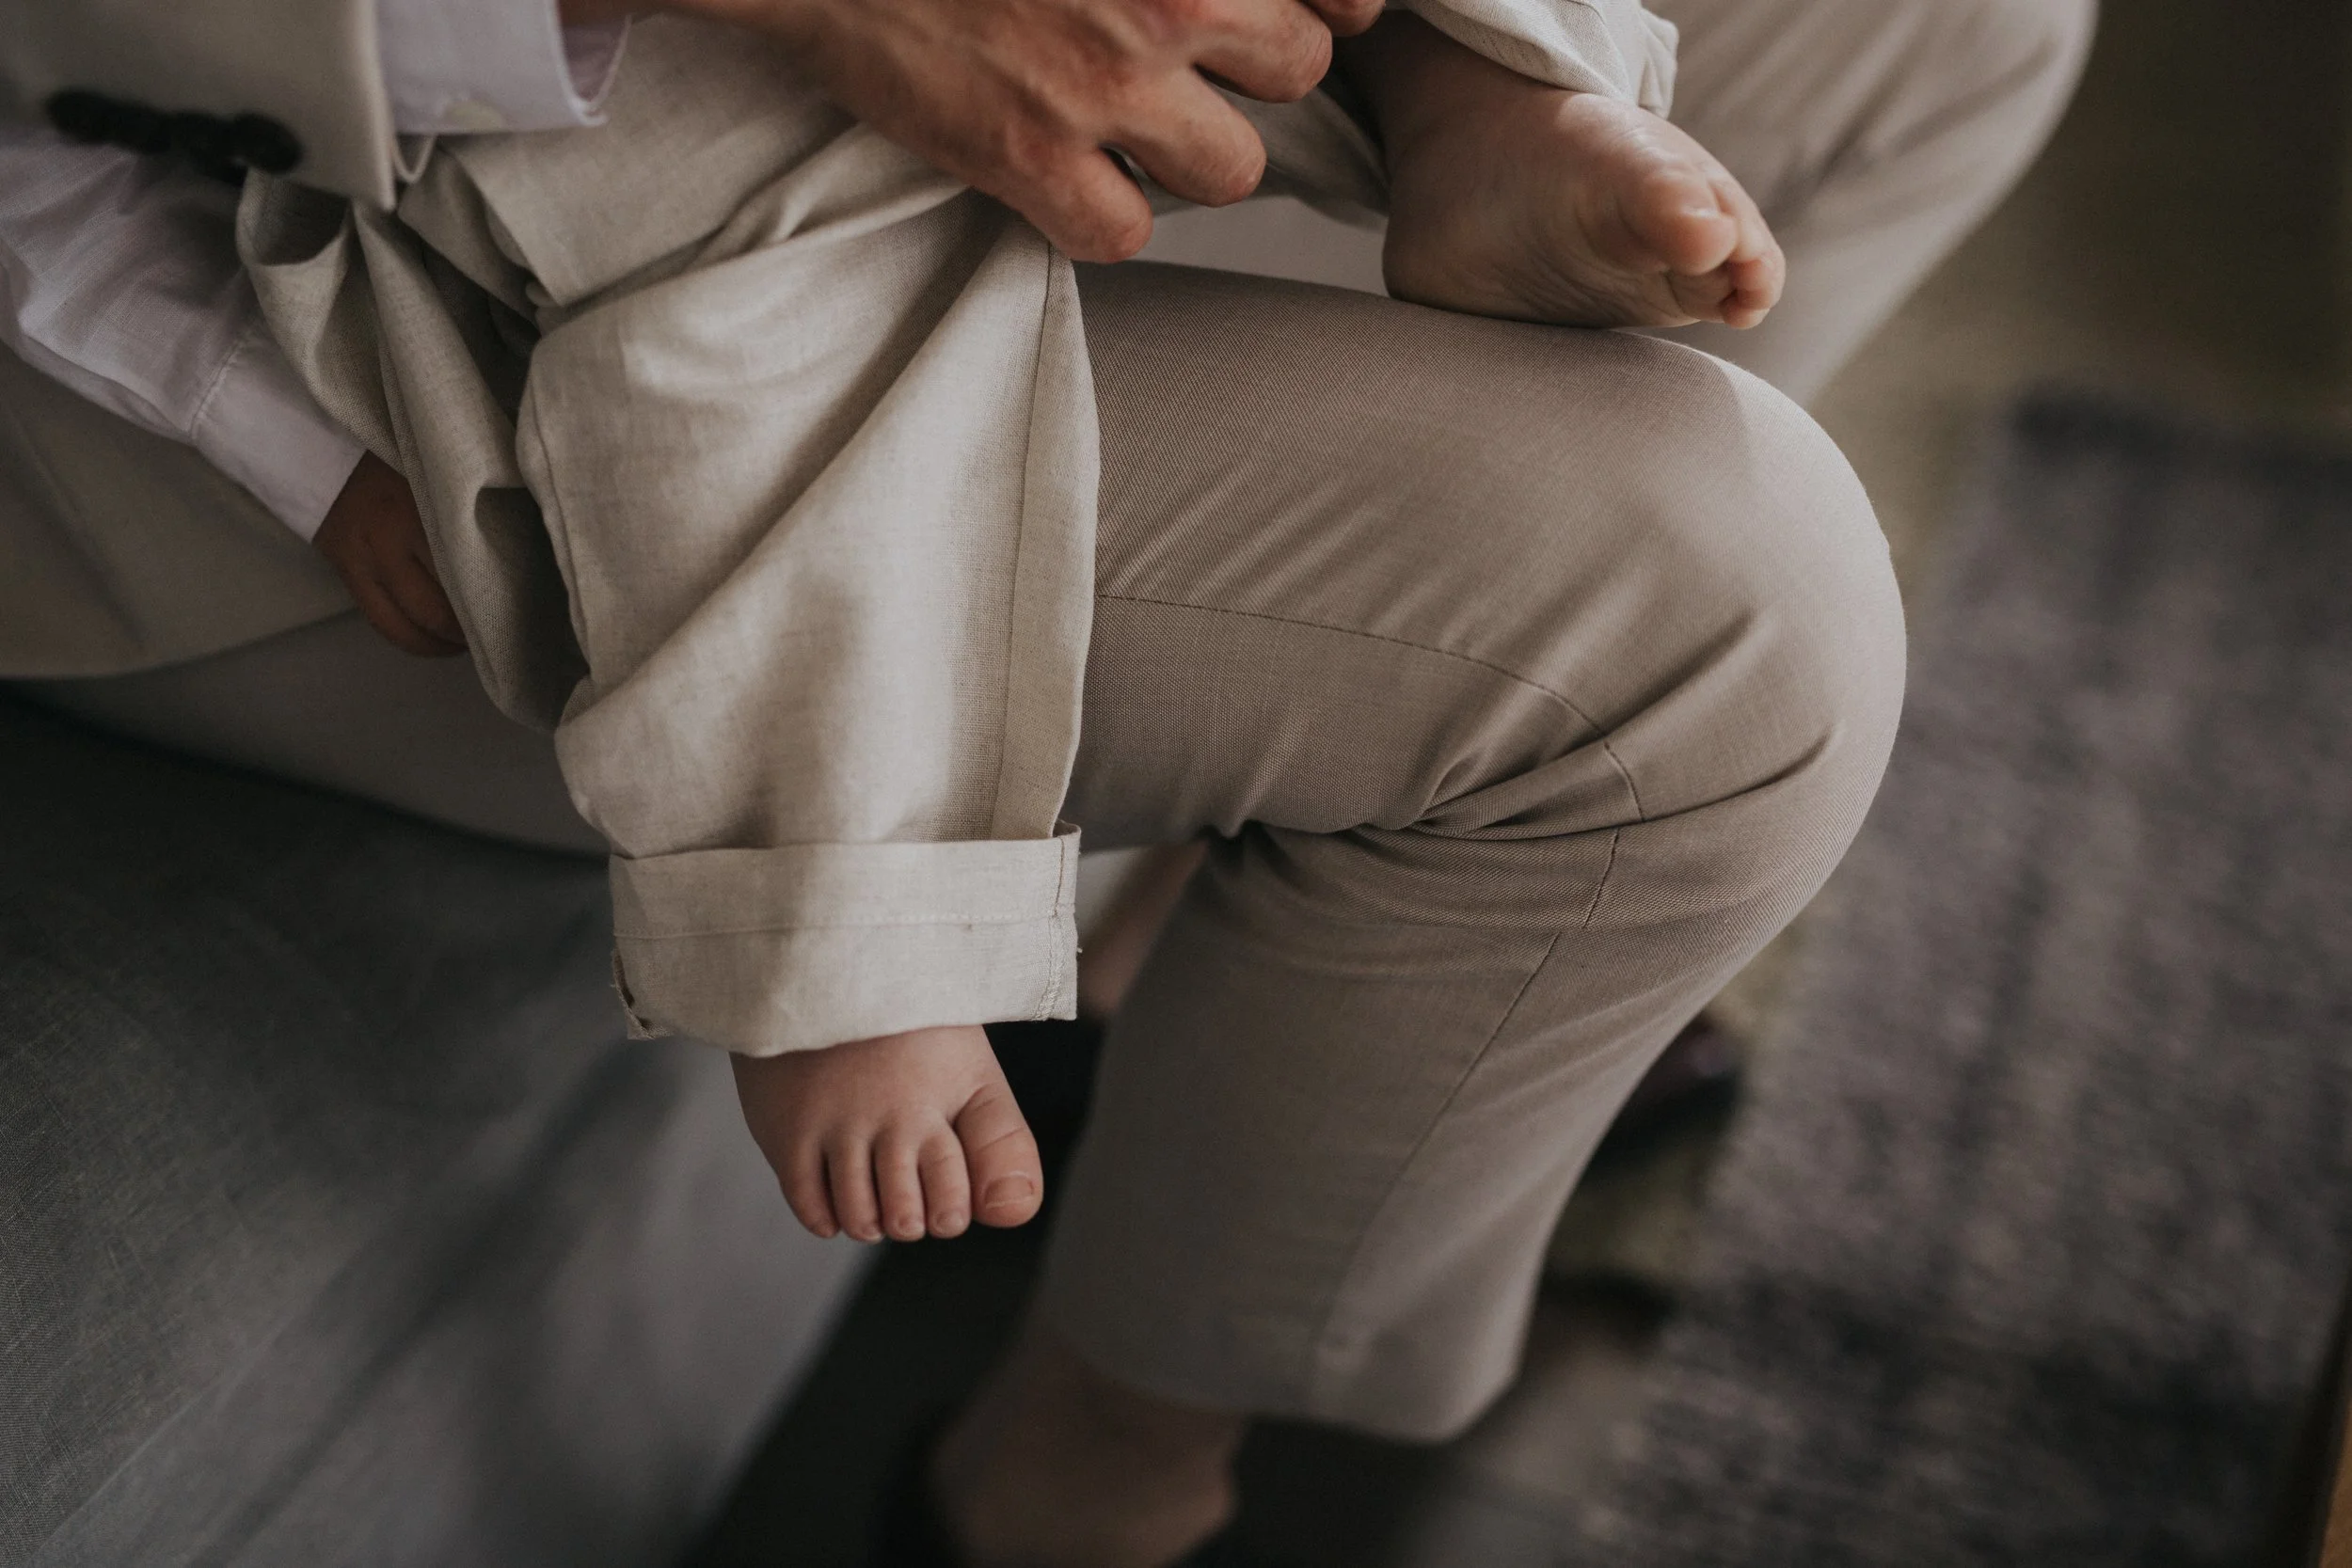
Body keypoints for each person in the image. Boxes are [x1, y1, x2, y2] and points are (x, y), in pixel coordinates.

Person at [0, 0, 2092, 1561]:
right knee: (1727, 611)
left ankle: (1479, 106)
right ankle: (1040, 1381)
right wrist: (286, 438)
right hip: (407, 161)